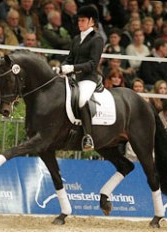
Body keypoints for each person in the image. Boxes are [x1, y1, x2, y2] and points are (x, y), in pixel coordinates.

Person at [60, 5, 104, 151]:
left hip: (88, 78)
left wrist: (73, 68)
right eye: (79, 21)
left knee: (82, 99)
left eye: (83, 20)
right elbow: (70, 58)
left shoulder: (97, 39)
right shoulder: (76, 38)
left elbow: (92, 64)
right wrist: (63, 67)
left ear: (92, 21)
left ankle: (88, 136)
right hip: (74, 78)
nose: (80, 23)